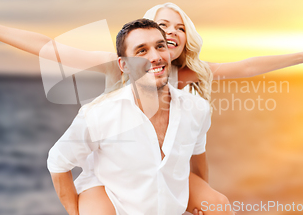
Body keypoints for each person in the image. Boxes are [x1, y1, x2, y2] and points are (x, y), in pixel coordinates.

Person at [0, 2, 303, 214]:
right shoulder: (122, 64)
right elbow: (51, 49)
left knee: (218, 205)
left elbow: (248, 67)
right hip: (112, 170)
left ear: (184, 37)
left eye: (178, 27)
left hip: (161, 168)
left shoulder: (193, 75)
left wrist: (302, 57)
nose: (170, 33)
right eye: (162, 25)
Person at [47, 18, 225, 215]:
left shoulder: (196, 108)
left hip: (165, 199)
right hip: (115, 201)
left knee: (219, 207)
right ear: (124, 65)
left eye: (160, 46)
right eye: (142, 51)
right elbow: (58, 162)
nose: (155, 57)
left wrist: (196, 202)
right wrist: (74, 213)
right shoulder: (99, 114)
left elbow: (197, 155)